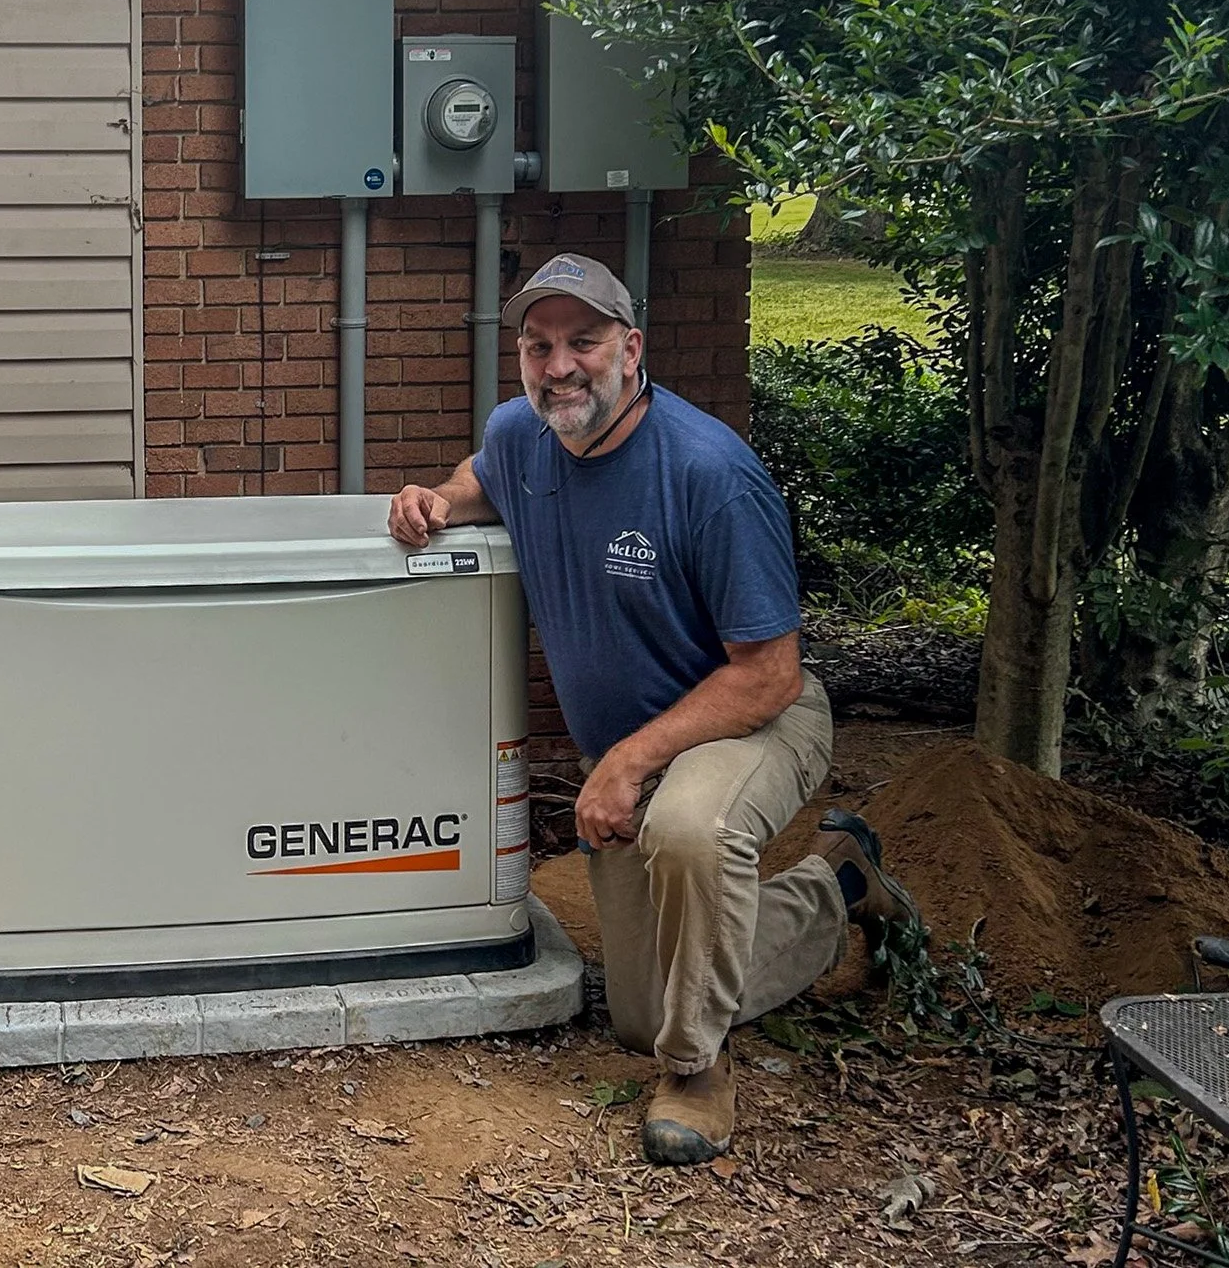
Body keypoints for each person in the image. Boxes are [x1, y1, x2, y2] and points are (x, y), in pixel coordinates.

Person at [387, 252, 917, 1166]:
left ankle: (697, 1069)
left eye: (583, 342)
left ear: (631, 348)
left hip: (751, 717)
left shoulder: (710, 472)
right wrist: (437, 498)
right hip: (641, 746)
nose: (560, 366)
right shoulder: (523, 435)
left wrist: (626, 763)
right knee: (636, 1011)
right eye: (538, 345)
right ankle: (838, 884)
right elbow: (485, 472)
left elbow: (770, 674)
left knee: (687, 832)